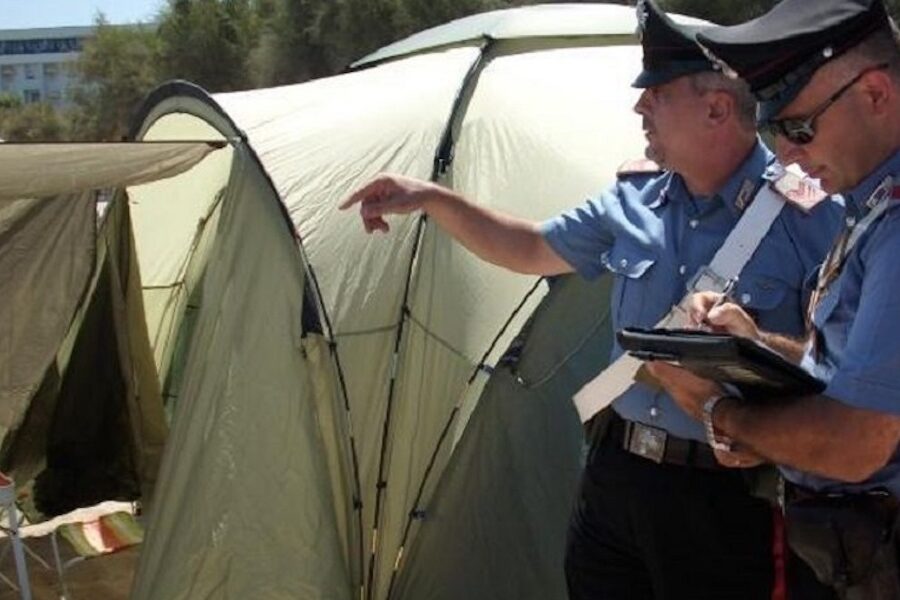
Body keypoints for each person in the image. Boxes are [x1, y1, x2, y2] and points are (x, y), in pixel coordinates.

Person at [340, 1, 843, 597]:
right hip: (615, 477)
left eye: (656, 92)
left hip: (728, 497)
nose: (639, 107)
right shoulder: (632, 200)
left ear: (717, 107)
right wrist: (430, 198)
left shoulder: (813, 214)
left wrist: (755, 342)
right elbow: (530, 247)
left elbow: (839, 364)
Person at [645, 0, 900, 598]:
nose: (784, 154)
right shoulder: (872, 204)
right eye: (773, 132)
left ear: (876, 93)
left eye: (798, 127)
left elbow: (857, 441)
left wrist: (721, 415)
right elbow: (848, 367)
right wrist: (754, 344)